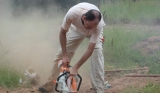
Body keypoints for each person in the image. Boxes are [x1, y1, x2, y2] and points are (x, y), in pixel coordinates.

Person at [39, 2, 105, 93]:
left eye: (93, 27)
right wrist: (65, 55)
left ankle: (99, 89)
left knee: (96, 52)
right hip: (76, 30)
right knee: (61, 55)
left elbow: (90, 49)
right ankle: (50, 83)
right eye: (89, 26)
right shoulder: (72, 14)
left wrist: (76, 67)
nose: (90, 29)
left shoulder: (98, 25)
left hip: (94, 34)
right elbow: (62, 33)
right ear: (84, 18)